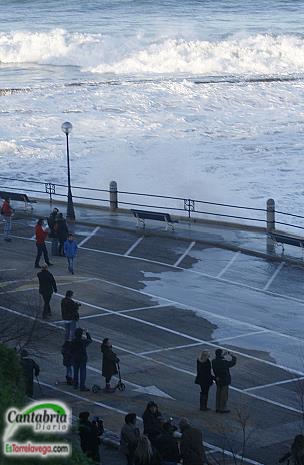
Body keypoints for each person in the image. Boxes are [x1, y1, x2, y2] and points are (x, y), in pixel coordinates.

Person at [212, 349, 237, 414]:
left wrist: (222, 355)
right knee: (224, 395)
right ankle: (222, 408)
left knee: (218, 393)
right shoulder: (223, 362)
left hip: (218, 379)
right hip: (225, 380)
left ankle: (217, 407)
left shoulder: (214, 361)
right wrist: (233, 356)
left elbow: (218, 358)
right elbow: (232, 363)